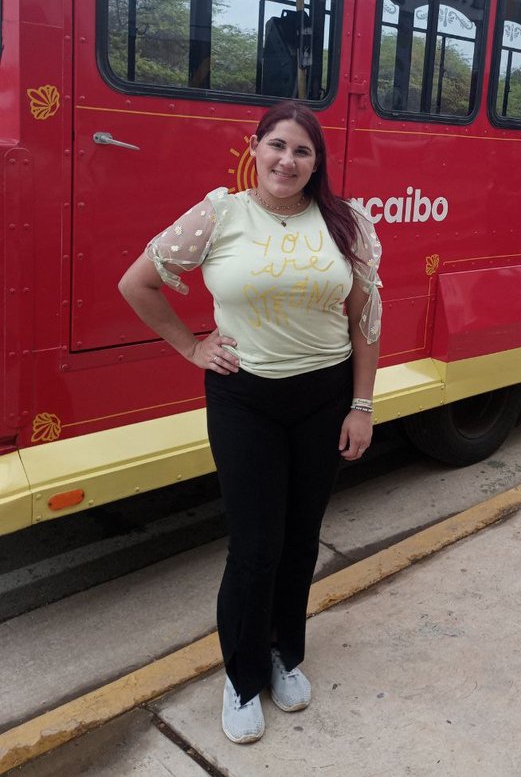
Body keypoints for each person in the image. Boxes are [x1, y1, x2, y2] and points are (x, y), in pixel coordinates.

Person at [118, 102, 382, 744]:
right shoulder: (219, 214)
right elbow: (138, 283)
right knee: (255, 544)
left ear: (316, 163)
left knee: (300, 538)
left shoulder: (347, 224)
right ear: (256, 149)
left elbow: (366, 318)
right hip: (246, 399)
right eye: (278, 147)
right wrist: (191, 347)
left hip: (325, 397)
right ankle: (240, 680)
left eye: (303, 152)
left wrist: (362, 405)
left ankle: (284, 655)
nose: (287, 161)